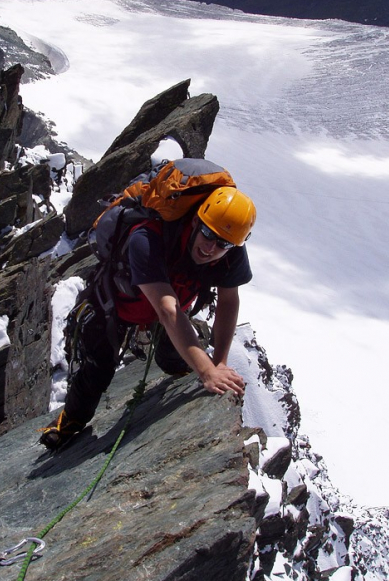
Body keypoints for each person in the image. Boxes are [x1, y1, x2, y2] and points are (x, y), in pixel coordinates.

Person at [40, 185, 256, 450]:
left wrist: (219, 363)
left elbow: (228, 301)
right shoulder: (148, 236)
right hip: (114, 305)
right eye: (208, 233)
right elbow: (166, 310)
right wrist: (207, 371)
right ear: (196, 219)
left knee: (172, 357)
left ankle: (181, 366)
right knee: (97, 371)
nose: (211, 248)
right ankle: (69, 422)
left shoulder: (230, 245)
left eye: (223, 242)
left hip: (171, 305)